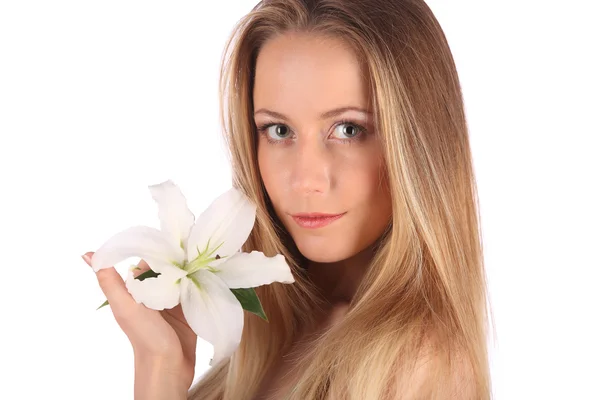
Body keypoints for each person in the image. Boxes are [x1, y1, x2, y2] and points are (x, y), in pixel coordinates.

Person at [82, 0, 492, 398]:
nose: (305, 180)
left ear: (419, 145)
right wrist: (160, 367)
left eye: (349, 129)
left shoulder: (416, 365)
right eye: (278, 131)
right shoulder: (269, 337)